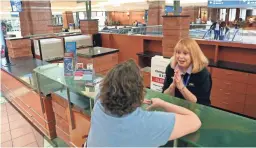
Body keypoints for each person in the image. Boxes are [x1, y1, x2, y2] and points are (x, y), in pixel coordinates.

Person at [86, 59, 201, 147]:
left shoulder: (99, 103)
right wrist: (162, 103)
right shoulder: (148, 123)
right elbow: (195, 121)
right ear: (139, 92)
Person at [162, 38, 212, 106]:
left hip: (195, 110)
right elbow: (164, 95)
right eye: (178, 52)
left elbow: (201, 104)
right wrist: (172, 86)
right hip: (175, 107)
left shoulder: (202, 73)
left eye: (185, 53)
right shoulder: (171, 68)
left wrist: (181, 86)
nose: (180, 56)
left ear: (193, 55)